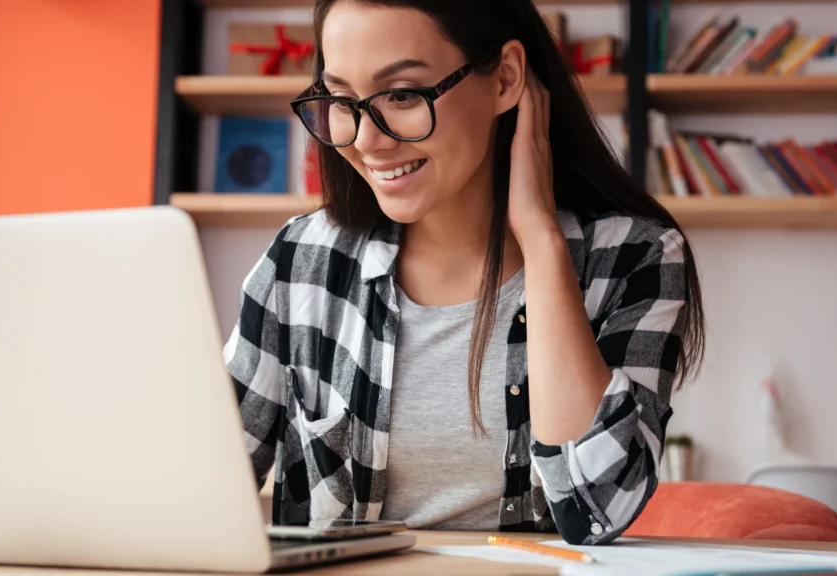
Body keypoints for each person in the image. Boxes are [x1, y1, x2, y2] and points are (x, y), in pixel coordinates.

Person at [223, 0, 705, 546]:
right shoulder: (301, 260)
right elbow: (202, 490)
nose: (365, 140)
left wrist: (542, 242)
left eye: (402, 95)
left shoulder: (633, 257)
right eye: (340, 100)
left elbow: (598, 506)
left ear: (504, 78)